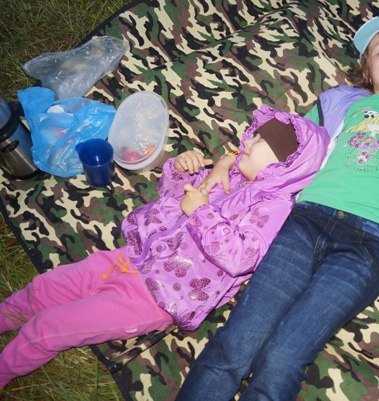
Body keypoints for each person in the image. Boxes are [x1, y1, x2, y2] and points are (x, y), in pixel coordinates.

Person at [176, 14, 379, 401]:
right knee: (237, 343)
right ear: (367, 70)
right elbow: (282, 143)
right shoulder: (342, 104)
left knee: (283, 357)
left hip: (370, 245)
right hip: (307, 222)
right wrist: (226, 162)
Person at [0, 104, 329, 388]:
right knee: (44, 288)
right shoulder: (230, 176)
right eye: (254, 134)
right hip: (130, 257)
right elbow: (170, 198)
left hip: (158, 297)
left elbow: (240, 257)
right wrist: (180, 170)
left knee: (50, 327)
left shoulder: (273, 209)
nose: (246, 142)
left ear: (283, 166)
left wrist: (200, 212)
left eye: (258, 142)